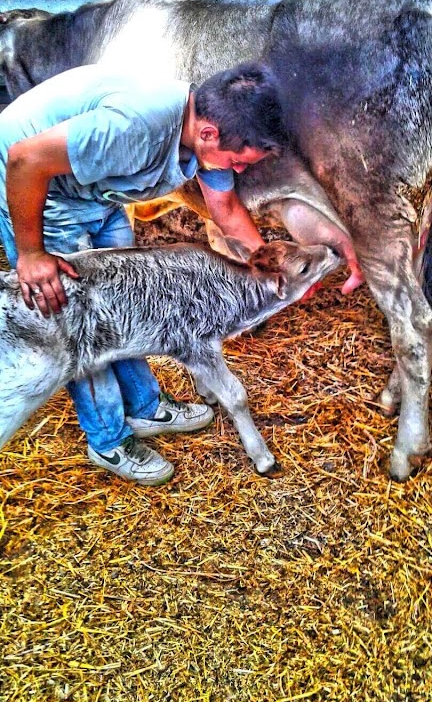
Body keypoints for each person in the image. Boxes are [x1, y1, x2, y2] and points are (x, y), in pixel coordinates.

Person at [0, 61, 289, 486]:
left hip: (95, 195)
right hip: (37, 190)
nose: (240, 170)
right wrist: (31, 254)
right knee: (80, 320)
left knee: (130, 305)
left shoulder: (205, 131)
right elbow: (24, 159)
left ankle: (146, 406)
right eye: (239, 161)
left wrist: (269, 263)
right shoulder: (138, 126)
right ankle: (109, 440)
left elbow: (225, 210)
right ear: (208, 133)